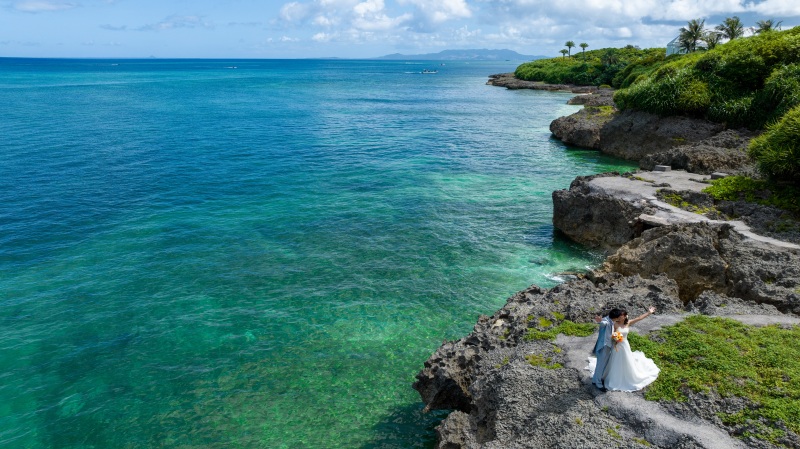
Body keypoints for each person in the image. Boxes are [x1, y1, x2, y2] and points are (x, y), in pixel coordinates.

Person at [587, 307, 660, 392]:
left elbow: (639, 318)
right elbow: (609, 330)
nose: (619, 317)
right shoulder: (614, 324)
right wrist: (616, 338)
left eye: (621, 315)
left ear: (625, 316)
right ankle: (605, 379)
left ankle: (625, 377)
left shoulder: (628, 323)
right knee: (614, 362)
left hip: (625, 345)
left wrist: (649, 312)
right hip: (617, 346)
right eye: (619, 315)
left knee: (627, 362)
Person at [590, 308, 624, 392]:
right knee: (601, 365)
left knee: (601, 365)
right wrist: (599, 321)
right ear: (616, 317)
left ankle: (595, 380)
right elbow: (603, 324)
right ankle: (598, 383)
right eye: (619, 316)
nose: (620, 317)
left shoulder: (612, 320)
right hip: (603, 346)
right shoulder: (606, 321)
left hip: (608, 346)